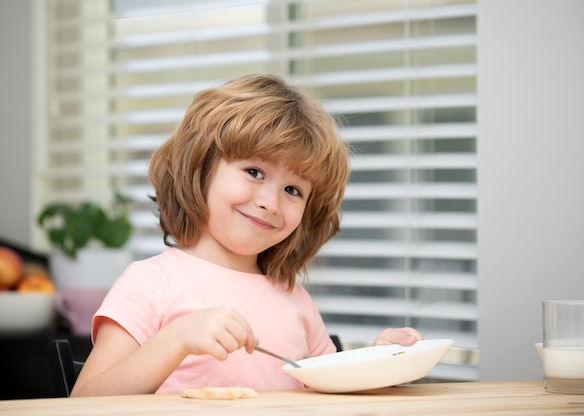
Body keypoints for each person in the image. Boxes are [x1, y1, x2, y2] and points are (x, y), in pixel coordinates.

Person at [71, 74, 422, 397]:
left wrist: (379, 363)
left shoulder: (293, 297)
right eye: (254, 171)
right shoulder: (151, 283)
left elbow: (329, 391)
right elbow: (83, 401)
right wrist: (174, 339)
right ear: (201, 166)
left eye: (293, 190)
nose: (271, 202)